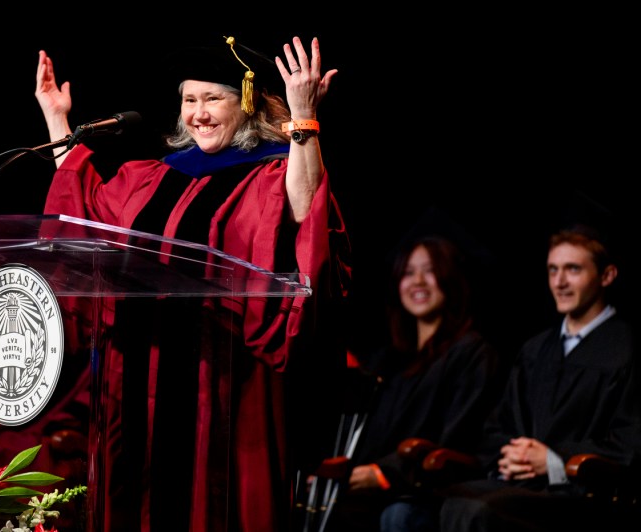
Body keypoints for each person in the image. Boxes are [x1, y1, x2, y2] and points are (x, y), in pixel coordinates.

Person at [34, 35, 351, 532]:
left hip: (225, 383)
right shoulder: (151, 177)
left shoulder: (268, 174)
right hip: (135, 382)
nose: (199, 114)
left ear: (246, 102)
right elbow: (86, 215)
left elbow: (305, 213)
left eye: (213, 99)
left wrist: (304, 117)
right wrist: (57, 120)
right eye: (190, 100)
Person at [427, 224, 641, 531]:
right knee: (441, 502)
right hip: (524, 486)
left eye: (573, 269)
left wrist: (554, 461)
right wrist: (513, 456)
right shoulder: (537, 349)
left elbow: (630, 444)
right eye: (553, 270)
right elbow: (498, 426)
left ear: (606, 276)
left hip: (585, 495)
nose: (560, 282)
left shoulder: (627, 349)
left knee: (476, 510)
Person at [316, 233, 501, 532]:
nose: (418, 281)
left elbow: (460, 440)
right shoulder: (390, 360)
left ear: (451, 279)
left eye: (429, 270)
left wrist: (385, 472)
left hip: (432, 490)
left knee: (397, 515)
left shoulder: (473, 353)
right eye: (408, 272)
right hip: (378, 488)